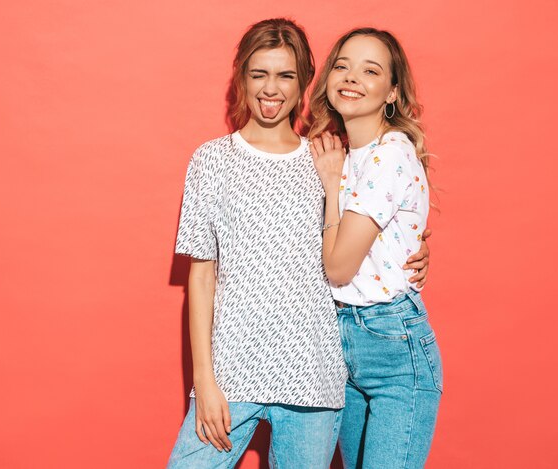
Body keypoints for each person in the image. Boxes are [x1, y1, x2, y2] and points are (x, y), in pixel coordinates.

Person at [168, 19, 430, 469]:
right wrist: (204, 382)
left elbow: (382, 225)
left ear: (305, 81)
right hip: (232, 374)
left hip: (316, 377)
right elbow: (202, 276)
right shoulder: (210, 160)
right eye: (259, 74)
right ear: (241, 80)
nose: (272, 89)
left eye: (286, 75)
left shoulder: (330, 158)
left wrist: (420, 250)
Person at [309, 28, 443, 469]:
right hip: (339, 339)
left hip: (391, 345)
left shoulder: (390, 153)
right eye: (343, 66)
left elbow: (339, 267)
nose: (352, 77)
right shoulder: (343, 154)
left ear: (392, 92)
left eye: (371, 70)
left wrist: (331, 186)